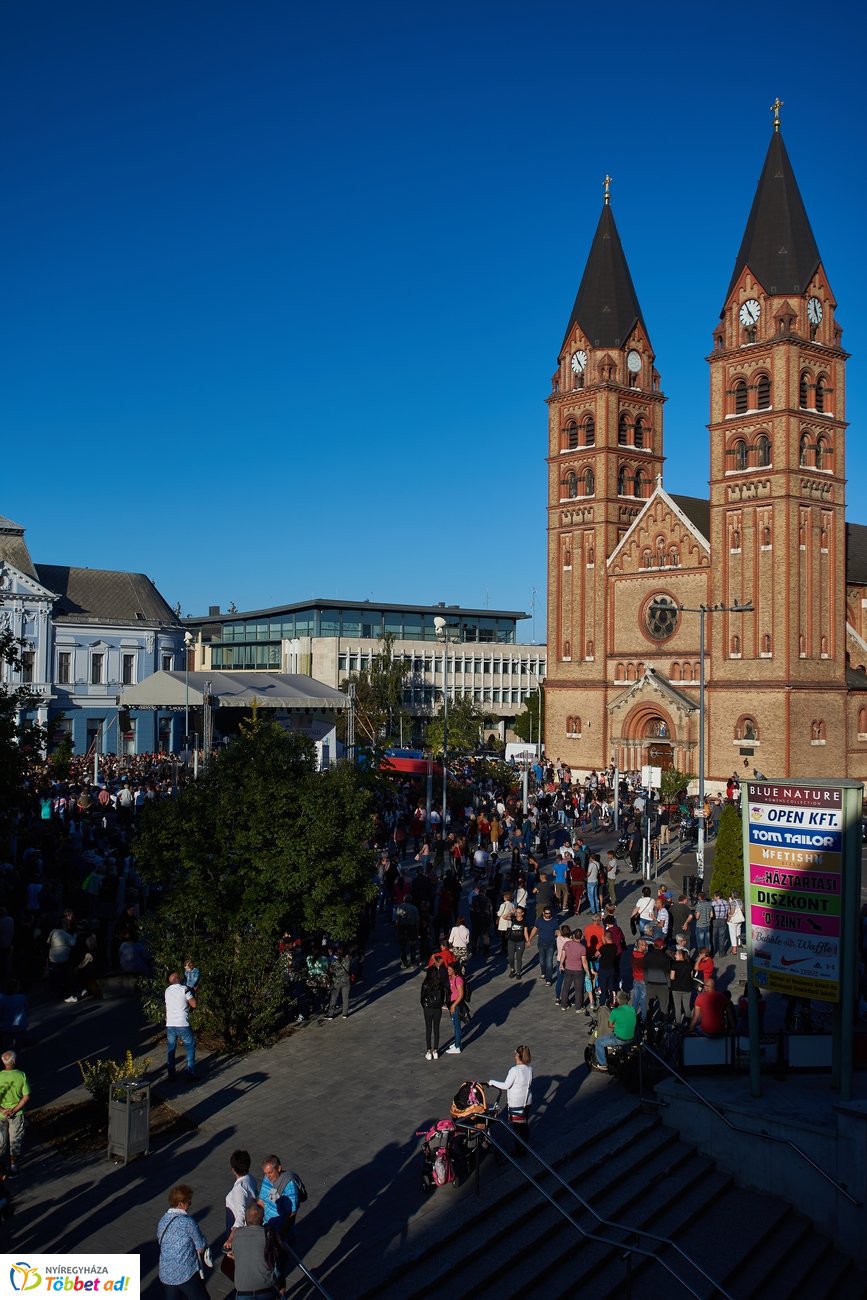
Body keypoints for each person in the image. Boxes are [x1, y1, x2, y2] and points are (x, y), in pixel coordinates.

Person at [157, 1184, 209, 1300]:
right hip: (185, 1273)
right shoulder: (187, 1222)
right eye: (189, 1202)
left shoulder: (162, 1221)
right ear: (180, 1204)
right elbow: (200, 1247)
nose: (190, 1204)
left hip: (166, 1274)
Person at [488, 1045, 533, 1156]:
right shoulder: (530, 1069)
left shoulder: (514, 1070)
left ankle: (519, 1150)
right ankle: (525, 1146)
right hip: (527, 1101)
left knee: (517, 1128)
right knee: (524, 1125)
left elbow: (506, 1085)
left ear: (518, 1055)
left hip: (517, 1103)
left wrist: (492, 1082)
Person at [230, 1202, 276, 1299]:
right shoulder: (267, 1235)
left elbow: (235, 1252)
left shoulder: (237, 1234)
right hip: (265, 1289)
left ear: (246, 1219)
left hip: (243, 1292)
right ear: (262, 1219)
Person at [165, 971, 198, 1083]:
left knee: (171, 1049)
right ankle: (190, 1073)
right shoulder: (185, 989)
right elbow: (194, 1004)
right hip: (182, 1023)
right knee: (190, 1046)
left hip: (170, 1024)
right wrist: (194, 993)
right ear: (179, 979)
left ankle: (171, 1075)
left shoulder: (167, 991)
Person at [0, 1050, 29, 1175]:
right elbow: (26, 1096)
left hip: (0, 1115)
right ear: (15, 1061)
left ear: (3, 1062)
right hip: (16, 1115)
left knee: (0, 1141)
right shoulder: (21, 1075)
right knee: (15, 1140)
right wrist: (13, 1110)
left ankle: (1, 1169)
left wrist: (3, 1110)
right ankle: (13, 1167)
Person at [223, 1149, 258, 1247]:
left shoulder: (239, 1188)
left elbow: (240, 1216)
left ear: (233, 1170)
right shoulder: (250, 1178)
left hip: (237, 1228)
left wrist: (230, 1238)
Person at [595, 990, 638, 1068]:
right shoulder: (632, 1009)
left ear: (618, 1000)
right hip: (631, 1037)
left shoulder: (615, 1011)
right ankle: (626, 1050)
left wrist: (617, 1024)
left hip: (620, 1039)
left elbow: (610, 1025)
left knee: (598, 1042)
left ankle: (602, 1063)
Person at [420, 956, 447, 1060]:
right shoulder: (440, 984)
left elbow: (421, 998)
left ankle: (428, 1051)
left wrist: (425, 1006)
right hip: (437, 1009)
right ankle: (436, 1051)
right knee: (436, 1029)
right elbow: (443, 996)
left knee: (428, 1029)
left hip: (428, 1009)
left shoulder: (426, 983)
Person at [559, 928, 589, 1011]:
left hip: (568, 968)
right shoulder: (582, 948)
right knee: (578, 989)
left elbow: (563, 955)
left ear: (573, 936)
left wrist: (561, 964)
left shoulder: (567, 944)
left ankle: (564, 1005)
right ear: (581, 936)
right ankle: (578, 1007)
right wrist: (588, 972)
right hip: (578, 970)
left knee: (566, 987)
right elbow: (584, 962)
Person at [326, 944, 352, 1019]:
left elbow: (330, 970)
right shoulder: (347, 959)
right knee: (345, 998)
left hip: (337, 981)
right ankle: (345, 1014)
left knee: (334, 998)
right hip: (346, 980)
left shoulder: (334, 961)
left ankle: (330, 1014)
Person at [445, 963, 465, 1054]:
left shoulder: (458, 979)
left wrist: (453, 1005)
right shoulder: (450, 978)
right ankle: (458, 1043)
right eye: (448, 969)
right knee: (454, 1023)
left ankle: (457, 1047)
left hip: (455, 1005)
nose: (448, 971)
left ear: (455, 970)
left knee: (457, 1026)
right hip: (451, 1004)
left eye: (450, 969)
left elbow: (461, 995)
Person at [506, 906, 528, 979]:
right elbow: (504, 917)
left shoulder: (524, 921)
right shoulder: (513, 918)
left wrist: (528, 941)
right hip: (511, 941)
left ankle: (518, 972)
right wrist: (511, 912)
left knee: (519, 958)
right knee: (511, 958)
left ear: (522, 913)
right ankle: (512, 969)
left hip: (520, 942)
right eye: (516, 912)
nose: (517, 914)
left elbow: (525, 932)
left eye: (519, 912)